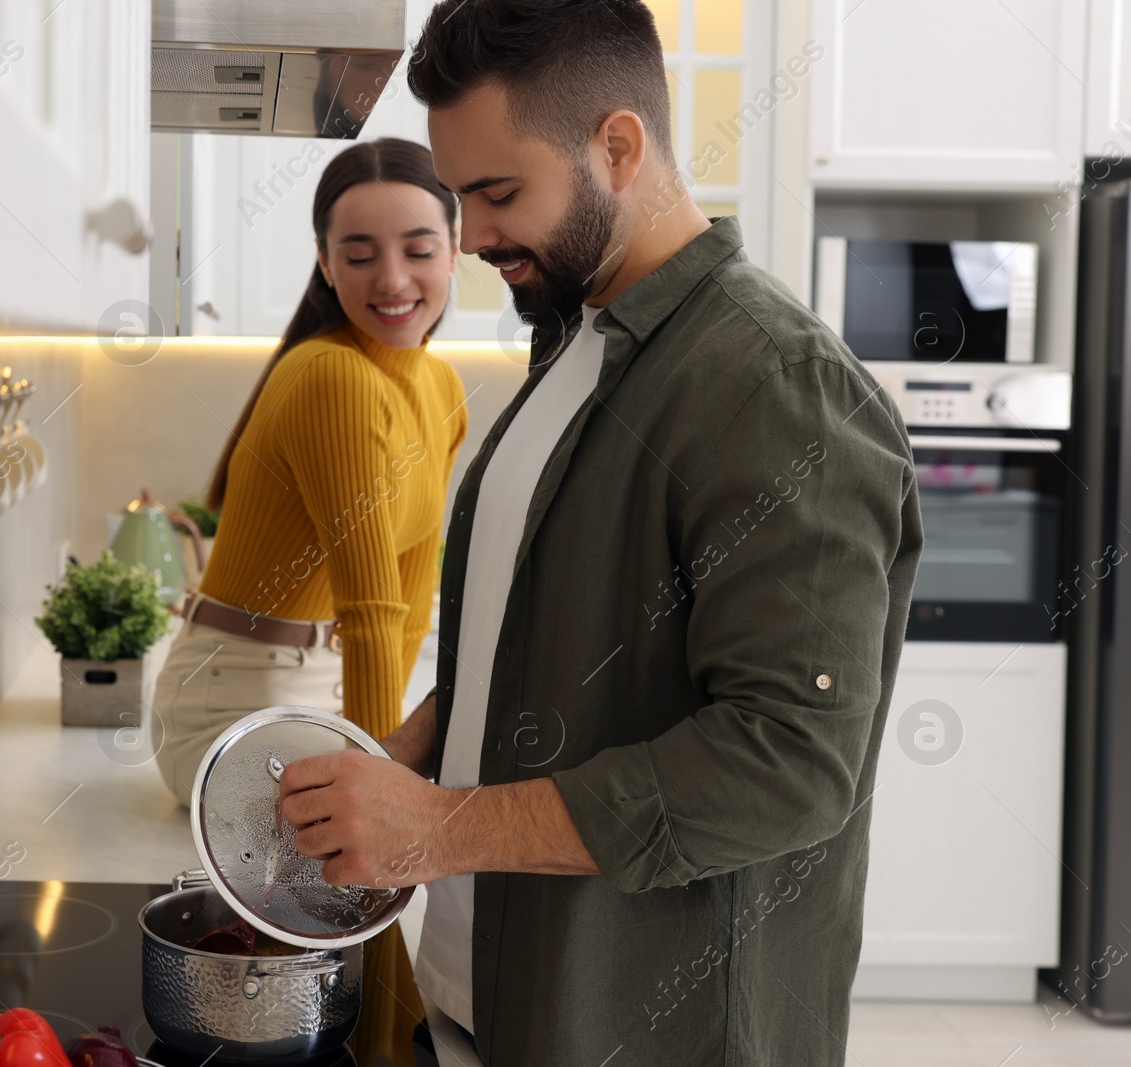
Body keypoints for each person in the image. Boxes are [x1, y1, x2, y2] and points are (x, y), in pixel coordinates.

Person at [276, 3, 924, 1066]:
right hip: (497, 1003)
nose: (473, 235)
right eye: (462, 196)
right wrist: (421, 749)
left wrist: (439, 827)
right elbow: (541, 631)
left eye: (497, 193)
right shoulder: (573, 346)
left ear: (618, 147)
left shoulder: (776, 386)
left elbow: (789, 761)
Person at [150, 137, 470, 810]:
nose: (391, 279)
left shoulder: (441, 388)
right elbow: (370, 607)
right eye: (359, 254)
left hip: (322, 687)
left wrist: (382, 753)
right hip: (232, 701)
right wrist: (377, 785)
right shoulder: (332, 376)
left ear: (454, 248)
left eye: (418, 250)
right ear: (325, 263)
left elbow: (411, 601)